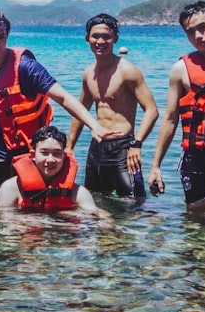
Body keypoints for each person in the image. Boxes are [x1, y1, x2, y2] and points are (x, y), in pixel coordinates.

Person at [0, 8, 121, 192]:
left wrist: (93, 125)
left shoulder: (26, 67)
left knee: (28, 216)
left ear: (7, 36)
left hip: (27, 154)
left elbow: (62, 97)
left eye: (1, 37)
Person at [148, 1, 205, 213]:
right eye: (190, 32)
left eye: (203, 27)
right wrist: (155, 166)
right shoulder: (180, 69)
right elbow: (170, 119)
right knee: (196, 223)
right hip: (196, 158)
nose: (198, 36)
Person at [66, 14, 158, 199]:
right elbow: (80, 111)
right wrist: (69, 147)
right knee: (97, 202)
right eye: (95, 36)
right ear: (87, 39)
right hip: (97, 148)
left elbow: (152, 110)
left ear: (115, 38)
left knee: (135, 205)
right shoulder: (88, 73)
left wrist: (136, 144)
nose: (100, 41)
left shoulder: (127, 71)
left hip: (123, 148)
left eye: (106, 37)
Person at [0, 125, 97, 212]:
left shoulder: (79, 193)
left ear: (64, 156)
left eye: (57, 154)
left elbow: (93, 215)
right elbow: (5, 222)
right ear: (32, 155)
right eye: (44, 153)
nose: (50, 160)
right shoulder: (10, 188)